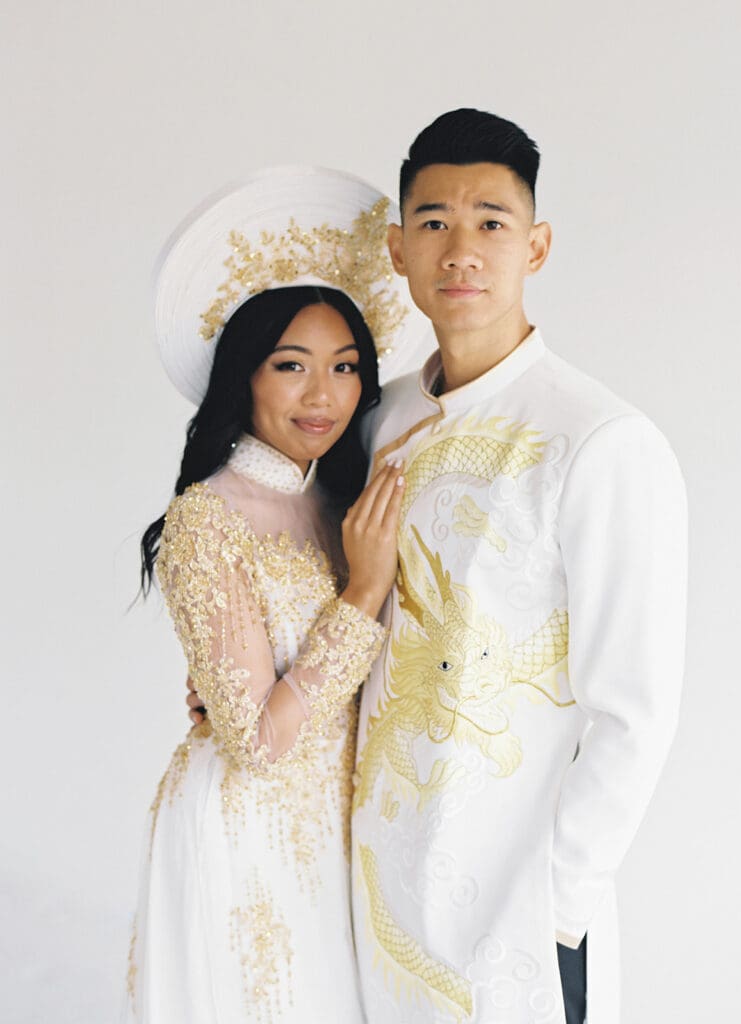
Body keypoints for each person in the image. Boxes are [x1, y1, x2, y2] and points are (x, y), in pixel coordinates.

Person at [346, 110, 688, 1024]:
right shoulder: (371, 423)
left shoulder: (598, 440)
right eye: (434, 223)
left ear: (535, 247)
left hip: (514, 922)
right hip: (370, 890)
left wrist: (558, 912)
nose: (461, 250)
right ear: (397, 247)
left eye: (491, 223)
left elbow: (634, 710)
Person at [125, 167, 433, 1024]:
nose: (321, 394)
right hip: (249, 831)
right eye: (290, 365)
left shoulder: (346, 499)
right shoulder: (205, 520)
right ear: (244, 376)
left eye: (343, 367)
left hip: (349, 822)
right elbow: (257, 741)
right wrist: (363, 590)